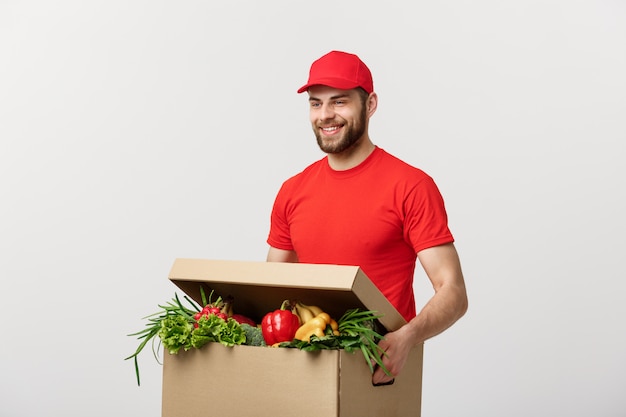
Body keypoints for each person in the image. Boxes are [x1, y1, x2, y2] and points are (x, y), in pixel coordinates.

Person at [266, 50, 468, 385]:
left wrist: (407, 337)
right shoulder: (292, 190)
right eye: (316, 103)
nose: (325, 115)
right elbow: (273, 288)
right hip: (304, 371)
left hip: (377, 368)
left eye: (339, 102)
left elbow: (453, 291)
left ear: (370, 104)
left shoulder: (411, 186)